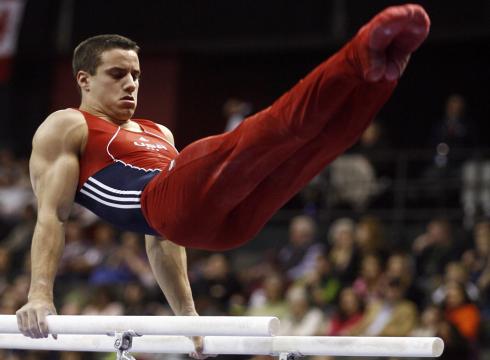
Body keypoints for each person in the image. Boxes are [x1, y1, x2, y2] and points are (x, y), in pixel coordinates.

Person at [16, 2, 430, 355]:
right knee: (266, 131)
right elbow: (52, 216)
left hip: (219, 225)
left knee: (309, 150)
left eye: (136, 75)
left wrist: (187, 317)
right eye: (117, 73)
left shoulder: (158, 131)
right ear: (83, 80)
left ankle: (381, 76)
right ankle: (361, 53)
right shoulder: (68, 125)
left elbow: (163, 241)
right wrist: (39, 295)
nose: (131, 84)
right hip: (161, 204)